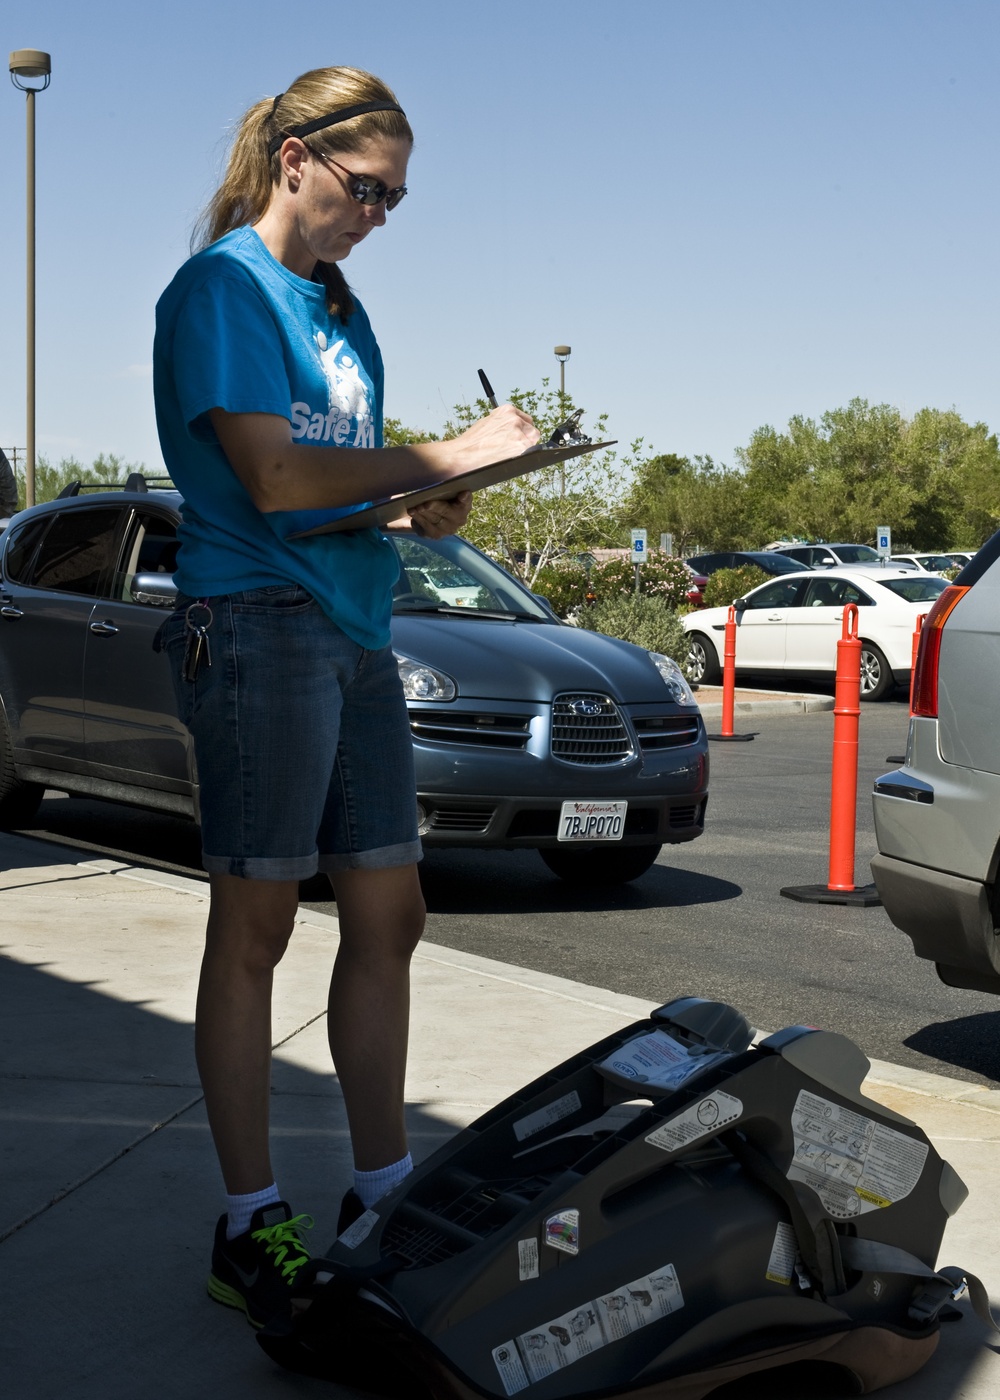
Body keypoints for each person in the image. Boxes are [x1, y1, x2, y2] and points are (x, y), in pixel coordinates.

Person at [152, 64, 538, 1330]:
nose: (378, 213)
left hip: (353, 621)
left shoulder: (339, 309)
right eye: (367, 188)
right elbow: (269, 477)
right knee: (256, 926)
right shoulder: (225, 287)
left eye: (396, 200)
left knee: (393, 911)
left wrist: (414, 505)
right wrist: (455, 451)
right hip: (255, 624)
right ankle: (249, 1219)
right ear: (296, 158)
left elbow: (331, 482)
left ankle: (383, 1190)